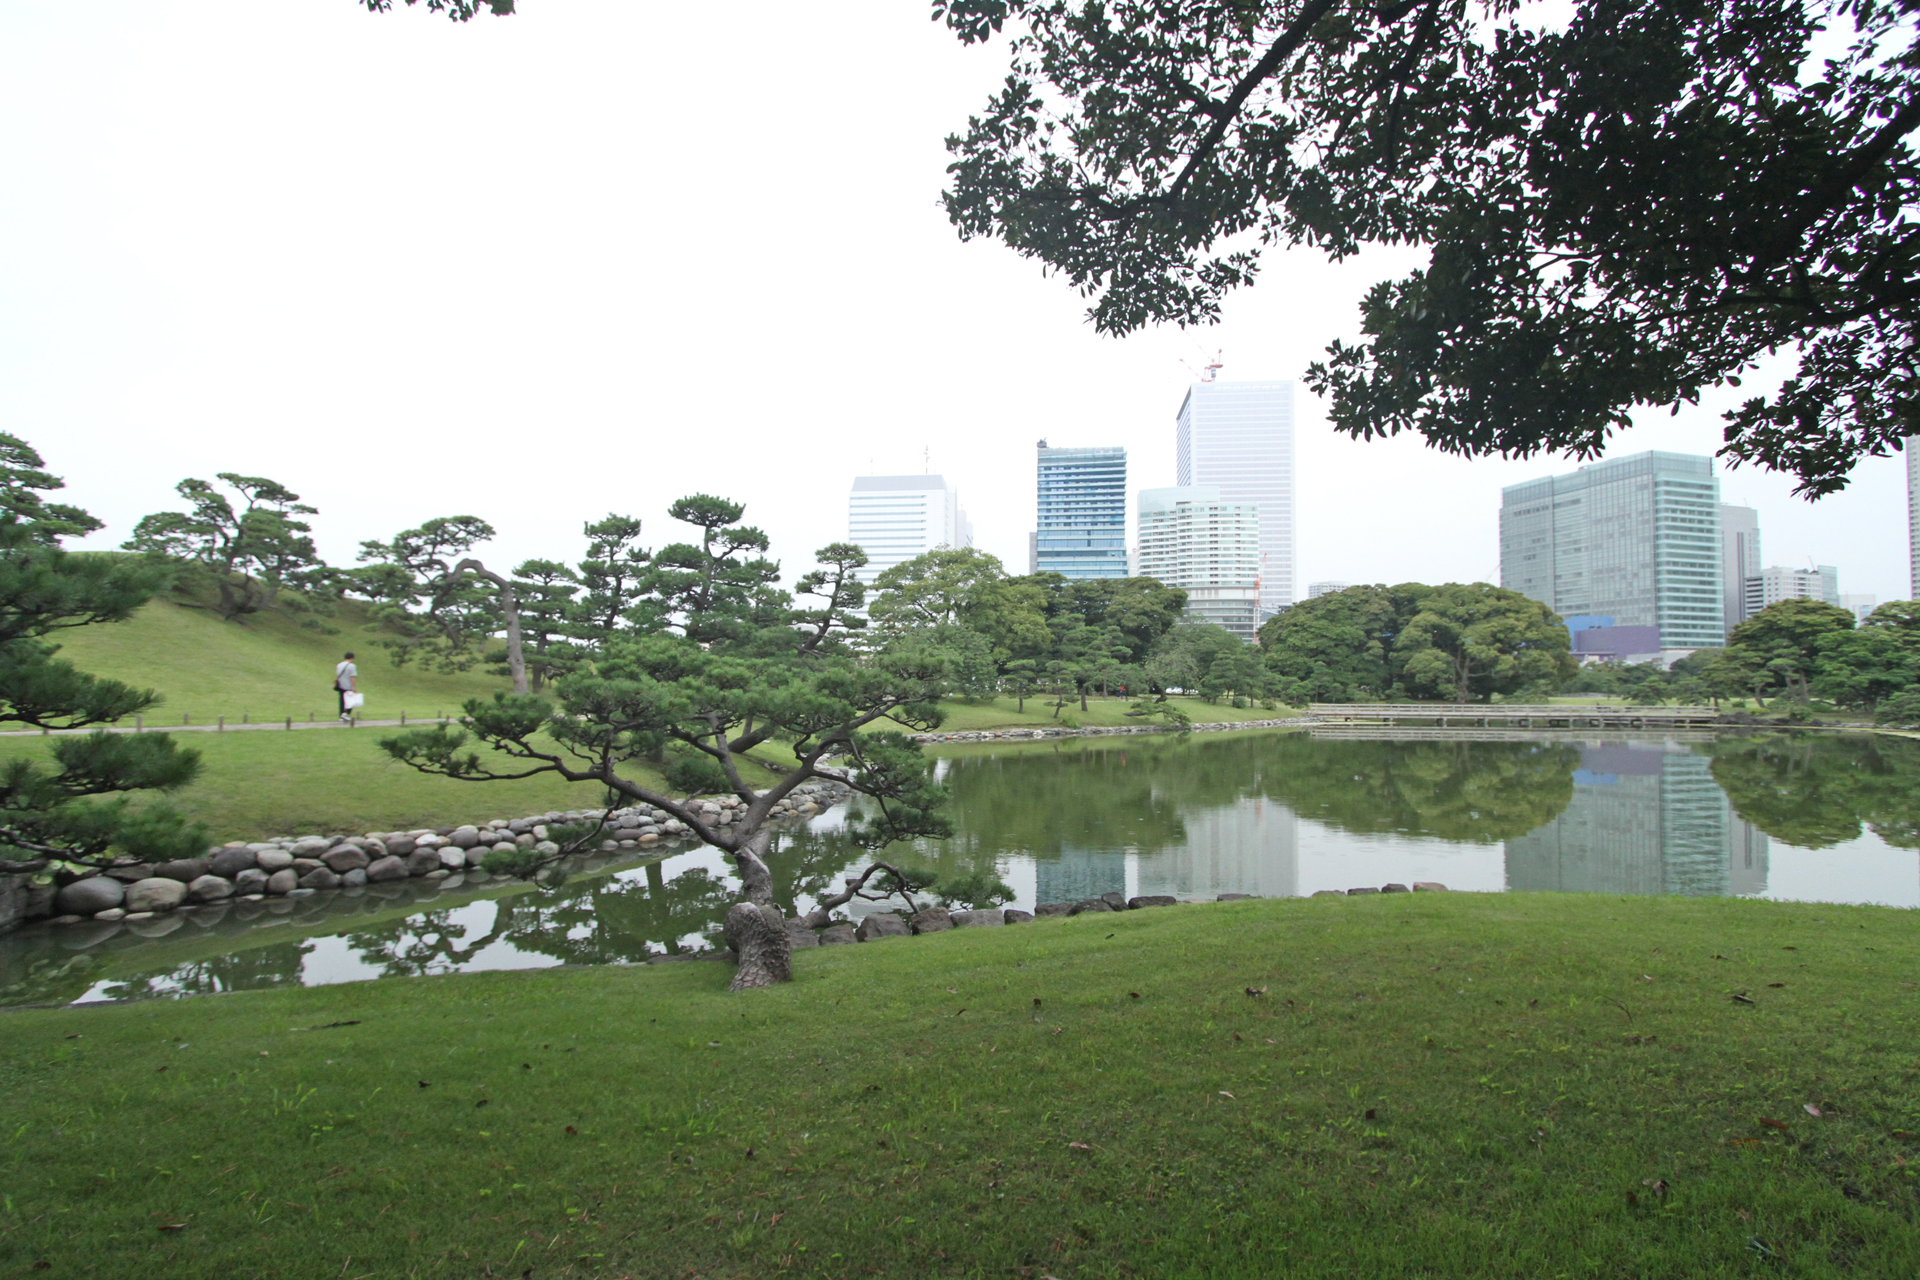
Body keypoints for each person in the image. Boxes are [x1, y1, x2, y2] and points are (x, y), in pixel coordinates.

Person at [335, 651, 358, 721]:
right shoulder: (352, 666)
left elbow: (337, 675)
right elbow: (352, 678)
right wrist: (354, 687)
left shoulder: (339, 665)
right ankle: (345, 713)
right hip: (348, 686)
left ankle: (341, 715)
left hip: (340, 685)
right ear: (352, 658)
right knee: (350, 701)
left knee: (342, 701)